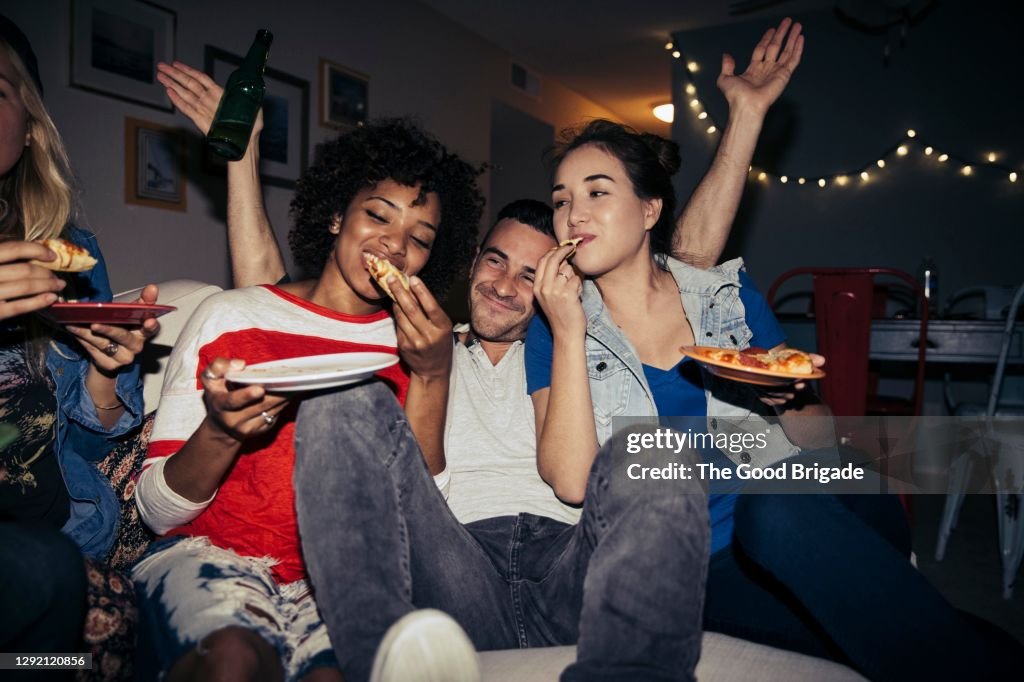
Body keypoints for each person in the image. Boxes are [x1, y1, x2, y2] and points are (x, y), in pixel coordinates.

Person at [153, 17, 808, 682]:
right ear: (465, 264)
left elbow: (682, 262)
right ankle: (378, 659)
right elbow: (274, 307)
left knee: (653, 450)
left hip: (569, 570)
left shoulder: (576, 342)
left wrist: (744, 121)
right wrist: (242, 164)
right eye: (493, 261)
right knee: (340, 404)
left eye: (530, 272)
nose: (504, 283)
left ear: (561, 280)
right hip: (457, 568)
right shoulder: (418, 342)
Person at [523, 115, 1020, 681]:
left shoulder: (728, 299)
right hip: (704, 564)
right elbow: (571, 481)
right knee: (951, 635)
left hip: (808, 499)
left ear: (650, 211)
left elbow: (821, 437)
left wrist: (788, 398)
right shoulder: (555, 325)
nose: (572, 213)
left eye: (596, 192)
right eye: (561, 200)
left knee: (824, 485)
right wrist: (567, 331)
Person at [131, 117, 485, 682]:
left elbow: (420, 521)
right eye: (378, 214)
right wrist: (221, 432)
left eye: (419, 237)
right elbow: (155, 511)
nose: (395, 244)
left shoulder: (425, 346)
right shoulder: (232, 315)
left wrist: (433, 375)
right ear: (336, 215)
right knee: (234, 661)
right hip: (209, 557)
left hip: (346, 582)